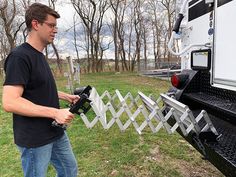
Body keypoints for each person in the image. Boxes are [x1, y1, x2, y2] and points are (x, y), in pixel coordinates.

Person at [2, 3, 78, 177]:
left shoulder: (39, 55)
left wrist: (66, 96)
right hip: (35, 138)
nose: (55, 30)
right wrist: (55, 112)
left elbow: (37, 89)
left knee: (69, 170)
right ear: (36, 24)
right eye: (51, 25)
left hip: (55, 131)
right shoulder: (19, 57)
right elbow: (10, 102)